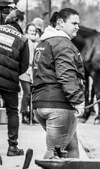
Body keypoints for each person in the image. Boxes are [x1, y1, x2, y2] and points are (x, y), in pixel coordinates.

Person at [32, 8, 85, 159]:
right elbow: (66, 75)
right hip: (59, 106)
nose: (77, 27)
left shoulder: (44, 42)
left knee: (71, 146)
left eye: (78, 24)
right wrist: (78, 100)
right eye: (74, 23)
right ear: (61, 23)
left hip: (41, 104)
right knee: (54, 153)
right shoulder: (63, 44)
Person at [0, 9, 30, 157]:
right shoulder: (23, 39)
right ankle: (12, 147)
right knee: (12, 112)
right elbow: (24, 66)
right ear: (18, 20)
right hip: (10, 82)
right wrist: (11, 73)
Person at [20, 23, 40, 125]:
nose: (32, 32)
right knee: (27, 94)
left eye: (34, 30)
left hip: (34, 71)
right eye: (30, 30)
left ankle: (31, 115)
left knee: (33, 95)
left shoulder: (37, 43)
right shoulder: (24, 41)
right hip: (25, 70)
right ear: (27, 31)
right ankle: (24, 114)